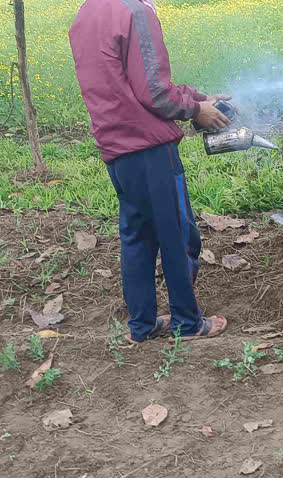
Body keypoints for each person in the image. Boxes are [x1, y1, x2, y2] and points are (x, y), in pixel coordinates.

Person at [69, 0, 229, 342]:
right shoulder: (135, 11)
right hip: (151, 148)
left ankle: (141, 326)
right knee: (180, 238)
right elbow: (154, 92)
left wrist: (198, 98)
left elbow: (124, 82)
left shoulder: (86, 12)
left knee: (137, 238)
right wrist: (195, 110)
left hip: (117, 148)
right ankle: (187, 323)